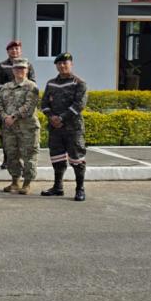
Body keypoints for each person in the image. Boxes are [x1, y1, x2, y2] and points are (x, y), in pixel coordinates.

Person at [40, 52, 88, 202]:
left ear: (71, 64)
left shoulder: (79, 83)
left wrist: (61, 118)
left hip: (73, 128)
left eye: (65, 63)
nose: (62, 66)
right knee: (57, 158)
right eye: (59, 63)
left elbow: (79, 105)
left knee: (77, 159)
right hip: (55, 128)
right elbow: (44, 104)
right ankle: (58, 187)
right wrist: (52, 117)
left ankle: (80, 189)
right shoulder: (51, 83)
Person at [0, 59, 40, 195]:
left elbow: (29, 106)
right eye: (17, 68)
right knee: (11, 155)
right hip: (9, 129)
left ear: (27, 70)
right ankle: (15, 182)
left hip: (28, 128)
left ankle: (27, 183)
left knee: (29, 155)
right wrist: (4, 117)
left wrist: (13, 117)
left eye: (22, 68)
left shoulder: (32, 87)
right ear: (13, 70)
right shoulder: (5, 87)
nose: (20, 71)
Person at [0, 39, 36, 170]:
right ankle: (7, 159)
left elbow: (32, 82)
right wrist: (7, 92)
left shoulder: (28, 65)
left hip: (22, 105)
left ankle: (22, 162)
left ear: (20, 50)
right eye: (11, 49)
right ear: (7, 51)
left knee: (23, 136)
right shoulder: (1, 66)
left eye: (17, 48)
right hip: (7, 106)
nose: (14, 51)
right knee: (5, 134)